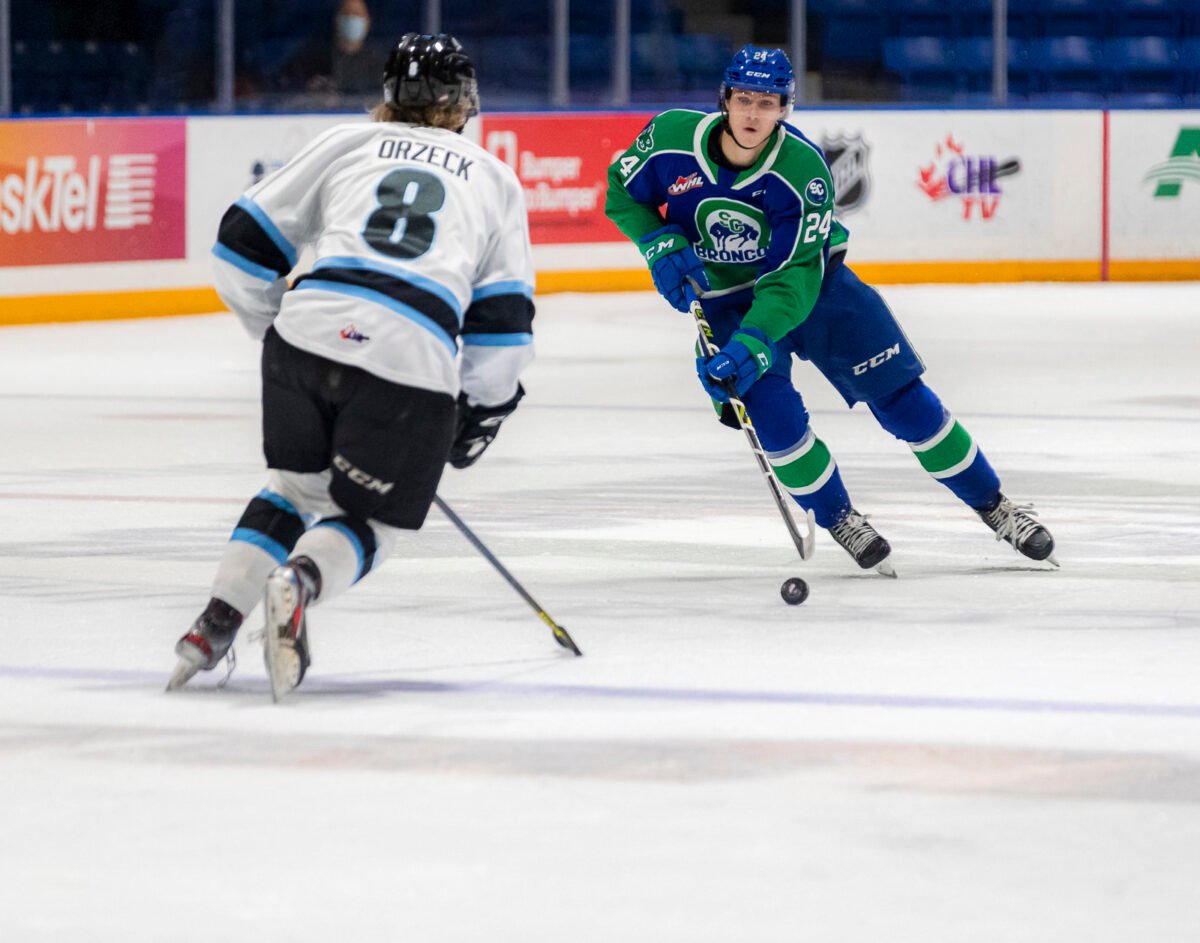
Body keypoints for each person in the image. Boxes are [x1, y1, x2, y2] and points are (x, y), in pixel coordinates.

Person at [168, 32, 535, 698]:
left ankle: (212, 625)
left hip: (306, 334)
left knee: (292, 489)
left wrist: (276, 326)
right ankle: (300, 581)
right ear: (464, 103)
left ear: (388, 93)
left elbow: (240, 246)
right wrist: (478, 412)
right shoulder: (493, 177)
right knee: (378, 521)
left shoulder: (346, 142)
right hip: (409, 355)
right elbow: (502, 327)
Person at [604, 44, 1055, 573]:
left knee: (905, 403)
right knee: (775, 424)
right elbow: (622, 191)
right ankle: (839, 517)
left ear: (785, 109)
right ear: (725, 100)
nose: (753, 114)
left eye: (767, 103)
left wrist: (755, 340)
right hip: (724, 301)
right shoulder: (670, 137)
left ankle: (994, 505)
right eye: (744, 99)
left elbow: (792, 277)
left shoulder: (803, 170)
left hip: (819, 290)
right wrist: (657, 240)